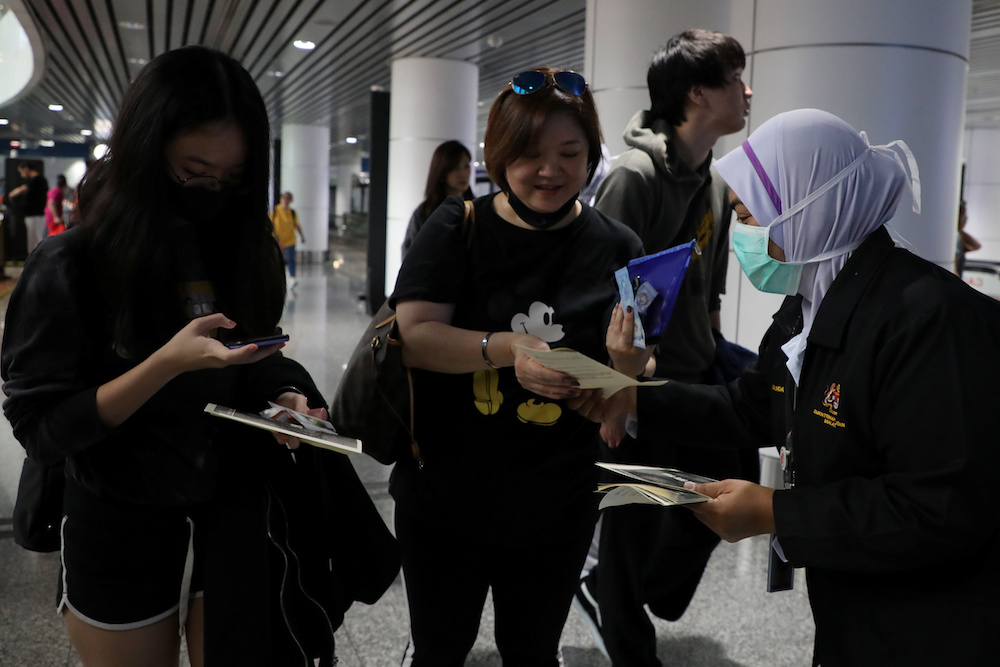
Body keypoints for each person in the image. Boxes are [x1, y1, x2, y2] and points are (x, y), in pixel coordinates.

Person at [1, 46, 397, 667]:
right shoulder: (71, 265)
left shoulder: (240, 244)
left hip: (234, 514)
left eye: (229, 177)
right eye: (193, 170)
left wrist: (285, 396)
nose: (211, 190)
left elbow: (257, 348)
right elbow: (44, 429)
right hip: (119, 522)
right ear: (145, 151)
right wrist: (166, 363)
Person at [584, 108, 1000, 665]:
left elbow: (939, 506)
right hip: (857, 594)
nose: (742, 236)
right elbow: (750, 404)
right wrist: (629, 397)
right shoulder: (810, 304)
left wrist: (778, 513)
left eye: (748, 214)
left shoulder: (931, 320)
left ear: (808, 204)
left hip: (938, 620)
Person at [390, 67, 643, 666]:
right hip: (445, 495)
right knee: (440, 648)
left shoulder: (620, 247)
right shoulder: (456, 226)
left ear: (592, 156)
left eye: (570, 152)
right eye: (529, 153)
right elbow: (414, 335)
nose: (550, 170)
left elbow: (628, 375)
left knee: (532, 651)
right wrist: (508, 349)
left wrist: (627, 373)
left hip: (558, 499)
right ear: (497, 155)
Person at [578, 29, 757, 665]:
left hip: (694, 374)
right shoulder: (636, 176)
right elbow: (603, 294)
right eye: (736, 79)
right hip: (641, 382)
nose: (748, 90)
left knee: (727, 484)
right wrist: (620, 392)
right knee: (630, 522)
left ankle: (637, 591)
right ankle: (629, 642)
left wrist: (711, 357)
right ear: (695, 95)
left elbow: (708, 292)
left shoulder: (711, 179)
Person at [400, 139, 474, 256]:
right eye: (455, 168)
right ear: (441, 171)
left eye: (466, 166)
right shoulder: (425, 212)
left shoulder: (477, 209)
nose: (463, 173)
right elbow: (411, 258)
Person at [8, 160, 49, 254]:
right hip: (32, 215)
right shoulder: (34, 181)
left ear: (26, 169)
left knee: (36, 240)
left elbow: (23, 189)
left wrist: (13, 194)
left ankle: (39, 261)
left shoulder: (38, 180)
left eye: (22, 172)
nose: (22, 175)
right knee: (32, 241)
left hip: (36, 215)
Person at [270, 191, 305, 288]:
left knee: (290, 260)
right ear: (281, 198)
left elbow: (296, 225)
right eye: (284, 198)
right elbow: (270, 225)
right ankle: (277, 278)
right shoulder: (275, 212)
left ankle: (292, 277)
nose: (286, 200)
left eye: (288, 198)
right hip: (278, 241)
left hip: (290, 240)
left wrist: (302, 236)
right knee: (276, 260)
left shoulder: (292, 213)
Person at [954, 199, 980, 275]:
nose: (966, 218)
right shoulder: (956, 237)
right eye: (964, 214)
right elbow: (954, 269)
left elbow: (976, 246)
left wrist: (960, 230)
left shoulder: (959, 235)